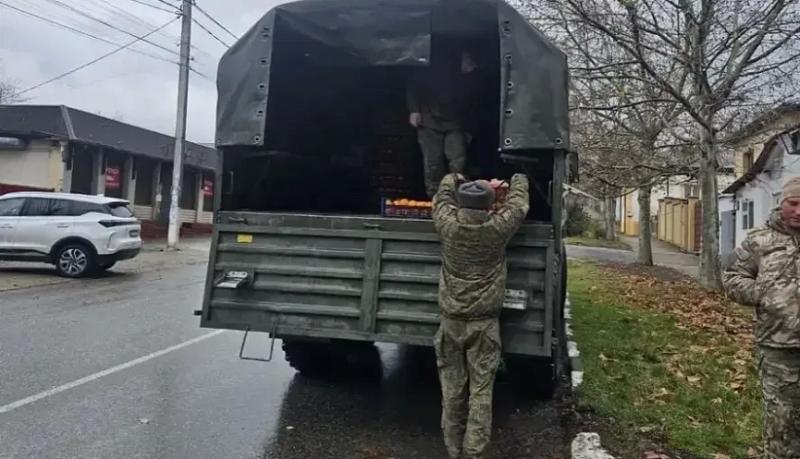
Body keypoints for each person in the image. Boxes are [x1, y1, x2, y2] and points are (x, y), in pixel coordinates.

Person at [431, 172, 530, 459]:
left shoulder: (447, 224)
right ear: (489, 207)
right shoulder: (497, 229)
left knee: (451, 390)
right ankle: (473, 452)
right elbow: (519, 205)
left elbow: (442, 198)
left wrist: (453, 177)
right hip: (484, 324)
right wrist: (517, 178)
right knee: (481, 390)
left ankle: (452, 448)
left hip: (450, 322)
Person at [723, 176, 800, 459]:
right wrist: (761, 294)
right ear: (782, 204)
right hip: (778, 348)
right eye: (793, 203)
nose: (799, 211)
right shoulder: (759, 241)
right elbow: (732, 278)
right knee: (782, 427)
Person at [407, 51, 479, 198]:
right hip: (429, 119)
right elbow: (413, 86)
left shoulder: (470, 77)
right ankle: (435, 199)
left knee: (458, 161)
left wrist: (470, 129)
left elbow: (475, 101)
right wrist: (414, 110)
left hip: (456, 123)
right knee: (433, 163)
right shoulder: (430, 66)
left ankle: (458, 197)